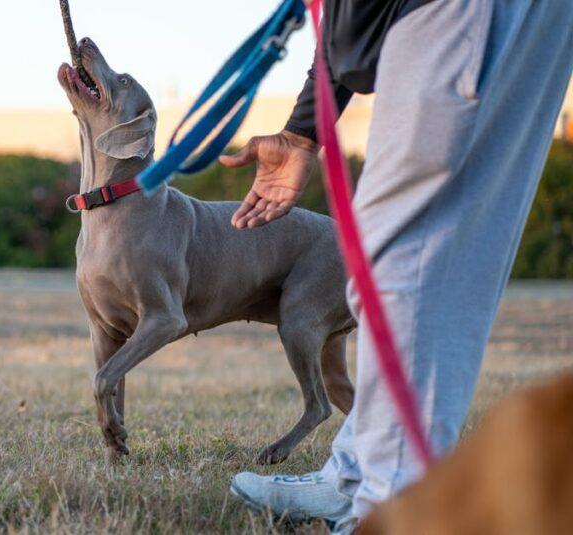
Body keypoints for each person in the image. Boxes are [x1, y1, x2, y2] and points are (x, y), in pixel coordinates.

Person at [222, 0, 573, 532]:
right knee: (437, 259)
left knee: (401, 267)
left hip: (460, 17)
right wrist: (303, 129)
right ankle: (359, 478)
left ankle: (391, 503)